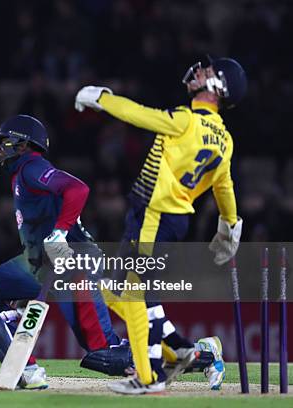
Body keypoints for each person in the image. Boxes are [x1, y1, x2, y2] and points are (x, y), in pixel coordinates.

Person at [74, 56, 247, 394]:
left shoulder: (186, 120)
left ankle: (149, 375)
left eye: (208, 73)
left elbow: (140, 115)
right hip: (169, 219)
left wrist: (101, 98)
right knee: (115, 292)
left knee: (134, 293)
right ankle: (184, 349)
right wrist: (229, 224)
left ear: (219, 87)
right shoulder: (224, 140)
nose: (199, 73)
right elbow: (223, 188)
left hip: (154, 216)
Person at [0, 114, 133, 390]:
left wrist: (60, 232)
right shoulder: (21, 173)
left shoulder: (32, 166)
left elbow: (78, 189)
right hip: (44, 264)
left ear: (23, 144)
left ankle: (196, 354)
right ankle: (26, 368)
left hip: (74, 262)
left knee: (106, 355)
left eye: (5, 141)